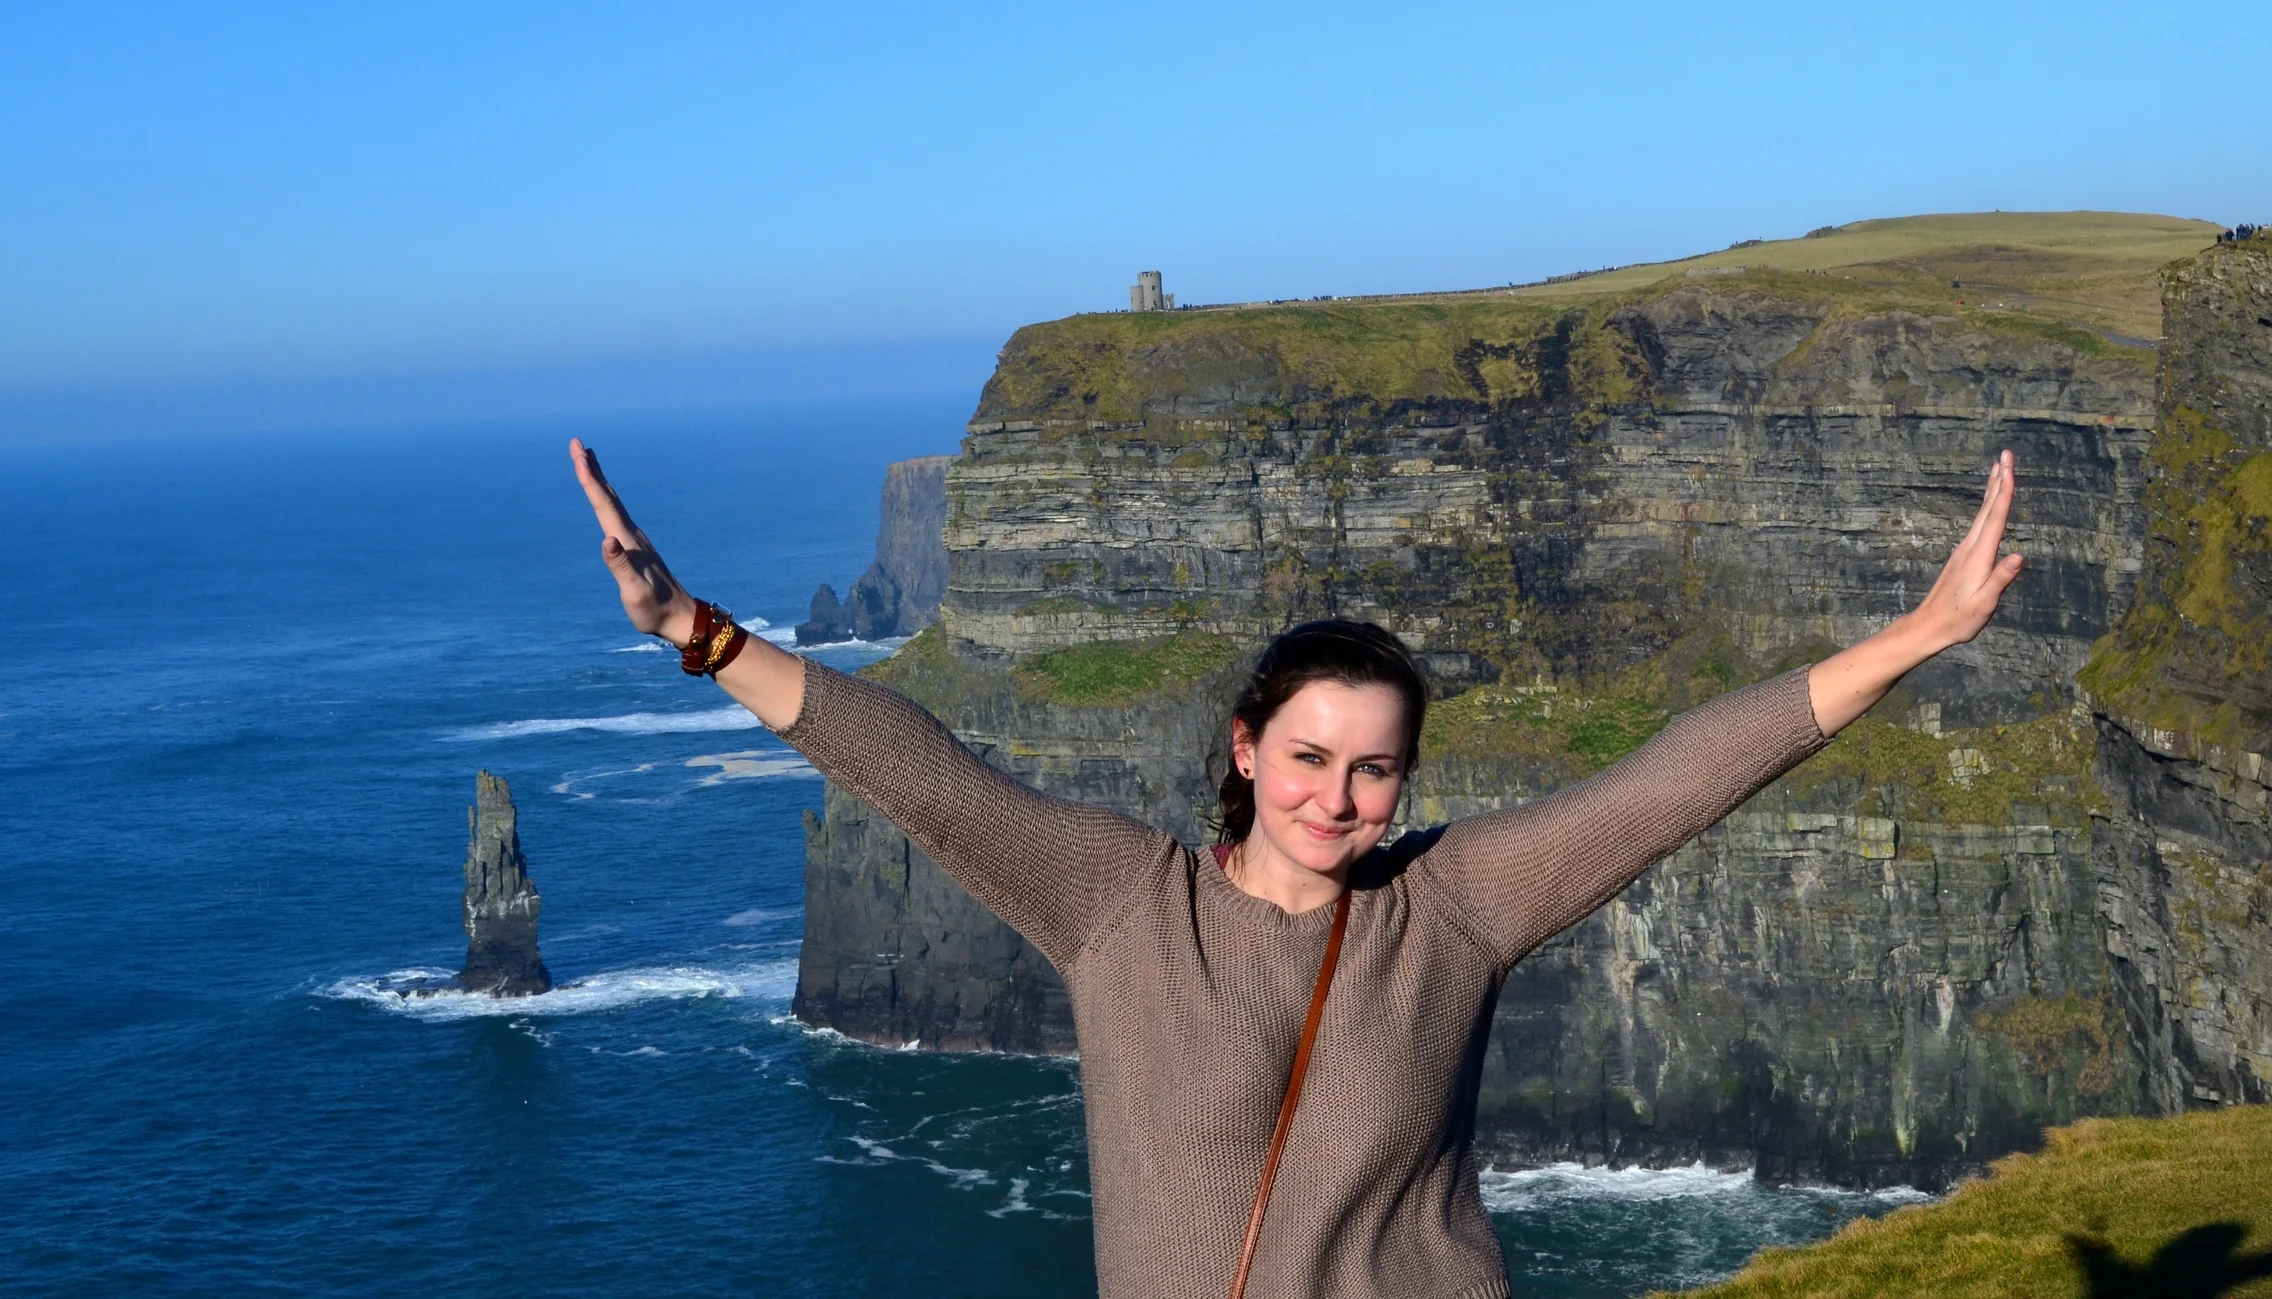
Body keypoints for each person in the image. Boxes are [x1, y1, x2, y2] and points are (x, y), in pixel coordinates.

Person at [572, 440, 2027, 1299]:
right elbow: (919, 771)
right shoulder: (1122, 903)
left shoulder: (1449, 905)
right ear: (1247, 749)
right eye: (1312, 756)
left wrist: (1914, 636)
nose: (1341, 796)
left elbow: (1673, 782)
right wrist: (694, 631)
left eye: (1377, 765)